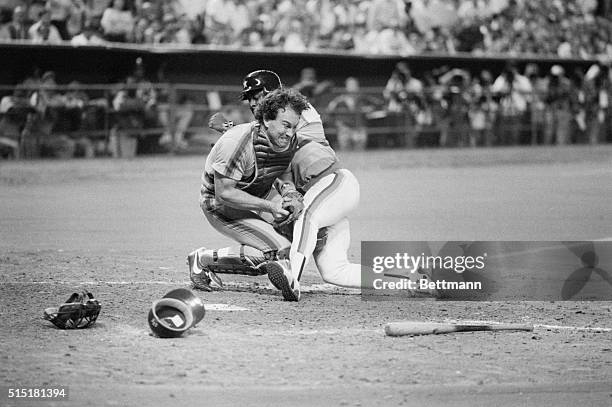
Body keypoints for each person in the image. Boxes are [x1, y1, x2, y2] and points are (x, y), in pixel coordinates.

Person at [191, 70, 436, 301]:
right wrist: (232, 132)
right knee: (334, 271)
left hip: (328, 184)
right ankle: (409, 280)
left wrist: (229, 129)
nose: (253, 104)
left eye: (258, 97)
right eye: (250, 100)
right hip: (314, 196)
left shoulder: (299, 112)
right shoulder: (273, 122)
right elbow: (262, 142)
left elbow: (282, 140)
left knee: (303, 225)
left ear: (275, 94)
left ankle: (291, 277)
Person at [188, 87, 310, 298]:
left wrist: (290, 194)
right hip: (220, 203)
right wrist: (271, 206)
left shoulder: (287, 138)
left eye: (294, 126)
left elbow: (283, 170)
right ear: (266, 119)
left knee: (299, 234)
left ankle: (275, 257)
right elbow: (224, 193)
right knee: (276, 252)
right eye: (286, 125)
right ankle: (203, 260)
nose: (290, 132)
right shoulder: (235, 142)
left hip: (257, 192)